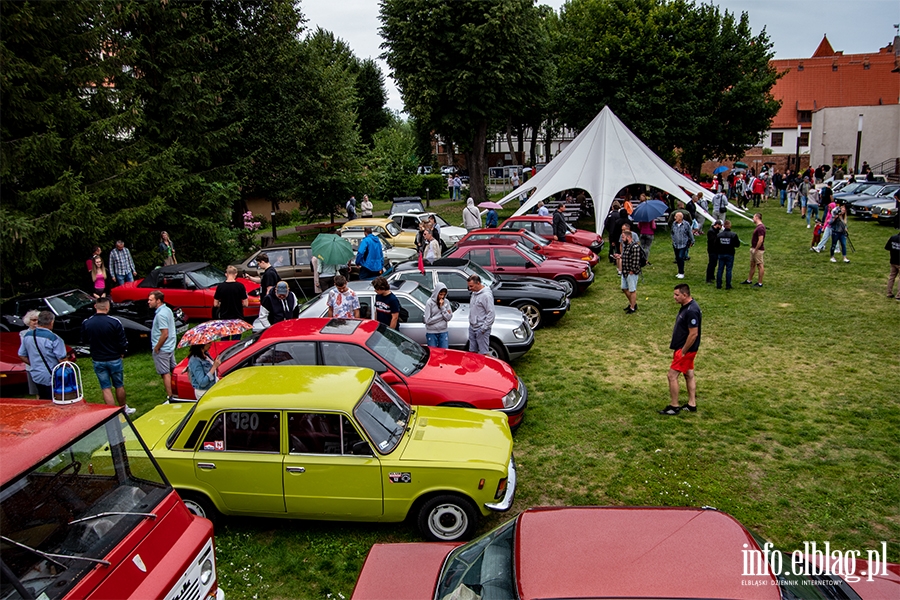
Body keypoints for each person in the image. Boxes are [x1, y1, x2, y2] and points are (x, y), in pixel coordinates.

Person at [81, 298, 132, 412]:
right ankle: (124, 408)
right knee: (119, 384)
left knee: (105, 387)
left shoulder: (87, 323)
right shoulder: (114, 322)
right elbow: (122, 341)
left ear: (95, 306)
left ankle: (112, 412)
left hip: (98, 358)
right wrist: (122, 352)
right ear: (107, 307)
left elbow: (84, 340)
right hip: (114, 357)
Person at [659, 284, 701, 415]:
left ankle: (674, 406)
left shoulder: (691, 311)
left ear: (685, 295)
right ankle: (691, 404)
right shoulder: (686, 307)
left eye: (677, 295)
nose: (674, 297)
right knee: (688, 375)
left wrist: (683, 351)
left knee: (672, 376)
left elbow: (693, 334)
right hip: (685, 349)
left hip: (685, 351)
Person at [18, 310, 67, 400]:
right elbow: (62, 359)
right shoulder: (54, 338)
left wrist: (33, 364)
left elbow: (21, 355)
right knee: (56, 400)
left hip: (36, 375)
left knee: (42, 398)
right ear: (51, 322)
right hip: (52, 376)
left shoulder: (28, 335)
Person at [148, 290, 177, 401]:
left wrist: (157, 347)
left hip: (163, 349)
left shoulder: (160, 315)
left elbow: (164, 334)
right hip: (170, 346)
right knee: (173, 370)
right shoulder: (167, 310)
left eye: (151, 300)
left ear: (158, 301)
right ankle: (177, 390)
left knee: (165, 373)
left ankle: (171, 397)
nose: (148, 302)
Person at [616, 224, 643, 313]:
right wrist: (620, 256)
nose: (622, 239)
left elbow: (636, 260)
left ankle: (632, 307)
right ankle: (632, 303)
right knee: (624, 288)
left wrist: (632, 270)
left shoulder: (634, 247)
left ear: (629, 237)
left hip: (631, 272)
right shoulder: (626, 246)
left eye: (623, 237)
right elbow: (626, 256)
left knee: (632, 290)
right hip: (625, 271)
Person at [466, 274, 494, 355]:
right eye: (469, 287)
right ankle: (475, 367)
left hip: (481, 329)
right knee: (472, 352)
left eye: (471, 286)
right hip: (472, 327)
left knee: (483, 353)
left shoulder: (486, 295)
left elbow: (491, 313)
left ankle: (485, 367)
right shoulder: (474, 293)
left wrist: (483, 328)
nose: (470, 288)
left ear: (478, 283)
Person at [18, 310, 42, 399]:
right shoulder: (24, 334)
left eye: (38, 320)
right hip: (32, 365)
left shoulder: (44, 332)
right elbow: (24, 351)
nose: (36, 322)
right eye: (33, 320)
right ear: (28, 321)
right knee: (37, 391)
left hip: (45, 366)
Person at [740, 213, 766, 287]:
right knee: (752, 265)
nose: (752, 218)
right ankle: (749, 280)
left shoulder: (760, 228)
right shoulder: (758, 227)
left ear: (757, 218)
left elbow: (760, 240)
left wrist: (756, 249)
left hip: (758, 250)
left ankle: (760, 282)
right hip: (754, 248)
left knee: (760, 265)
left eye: (753, 217)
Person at [424, 282, 452, 348]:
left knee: (444, 352)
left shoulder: (446, 302)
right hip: (432, 332)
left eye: (444, 295)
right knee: (434, 353)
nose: (442, 297)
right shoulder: (429, 303)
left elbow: (448, 318)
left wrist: (442, 307)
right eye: (440, 294)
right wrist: (442, 316)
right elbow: (427, 320)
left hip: (443, 331)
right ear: (436, 293)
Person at [716, 220, 741, 289]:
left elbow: (716, 244)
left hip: (721, 254)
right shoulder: (733, 235)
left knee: (720, 269)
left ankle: (718, 284)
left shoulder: (719, 235)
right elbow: (737, 244)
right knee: (729, 270)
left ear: (723, 226)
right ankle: (728, 285)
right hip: (730, 254)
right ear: (730, 226)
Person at [670, 211, 694, 280]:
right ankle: (679, 271)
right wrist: (673, 239)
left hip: (683, 244)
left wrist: (692, 241)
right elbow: (672, 232)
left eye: (676, 217)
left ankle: (681, 272)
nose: (675, 218)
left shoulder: (686, 224)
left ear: (680, 217)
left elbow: (690, 233)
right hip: (675, 244)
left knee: (681, 257)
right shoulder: (674, 224)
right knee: (677, 258)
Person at [885, 231, 900, 300]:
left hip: (893, 261)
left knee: (891, 277)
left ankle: (889, 293)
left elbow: (887, 247)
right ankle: (899, 295)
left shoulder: (893, 238)